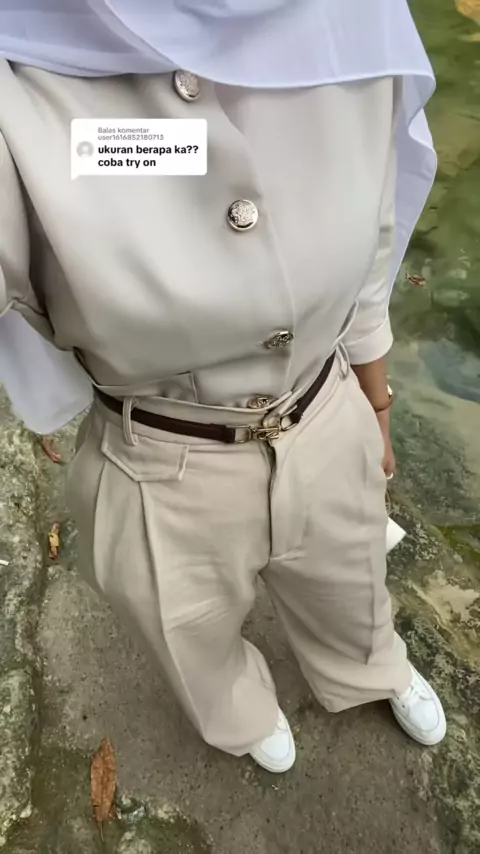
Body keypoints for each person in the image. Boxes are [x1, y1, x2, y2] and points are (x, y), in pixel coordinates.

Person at [0, 0, 446, 773]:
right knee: (188, 630)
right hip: (156, 454)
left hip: (324, 404)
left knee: (353, 579)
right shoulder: (19, 72)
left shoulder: (351, 14)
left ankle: (371, 664)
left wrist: (374, 404)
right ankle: (240, 714)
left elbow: (374, 245)